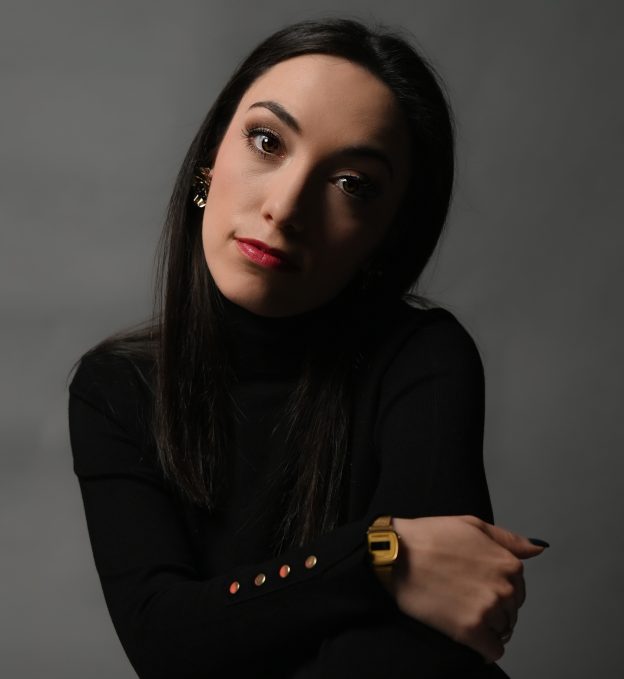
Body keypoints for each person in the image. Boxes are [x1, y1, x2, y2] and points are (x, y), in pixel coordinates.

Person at [67, 17, 548, 678]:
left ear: (386, 236)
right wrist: (382, 556)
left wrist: (364, 565)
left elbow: (414, 647)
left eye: (352, 183)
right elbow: (165, 640)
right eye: (267, 141)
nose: (286, 207)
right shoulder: (117, 389)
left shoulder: (422, 358)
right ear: (210, 159)